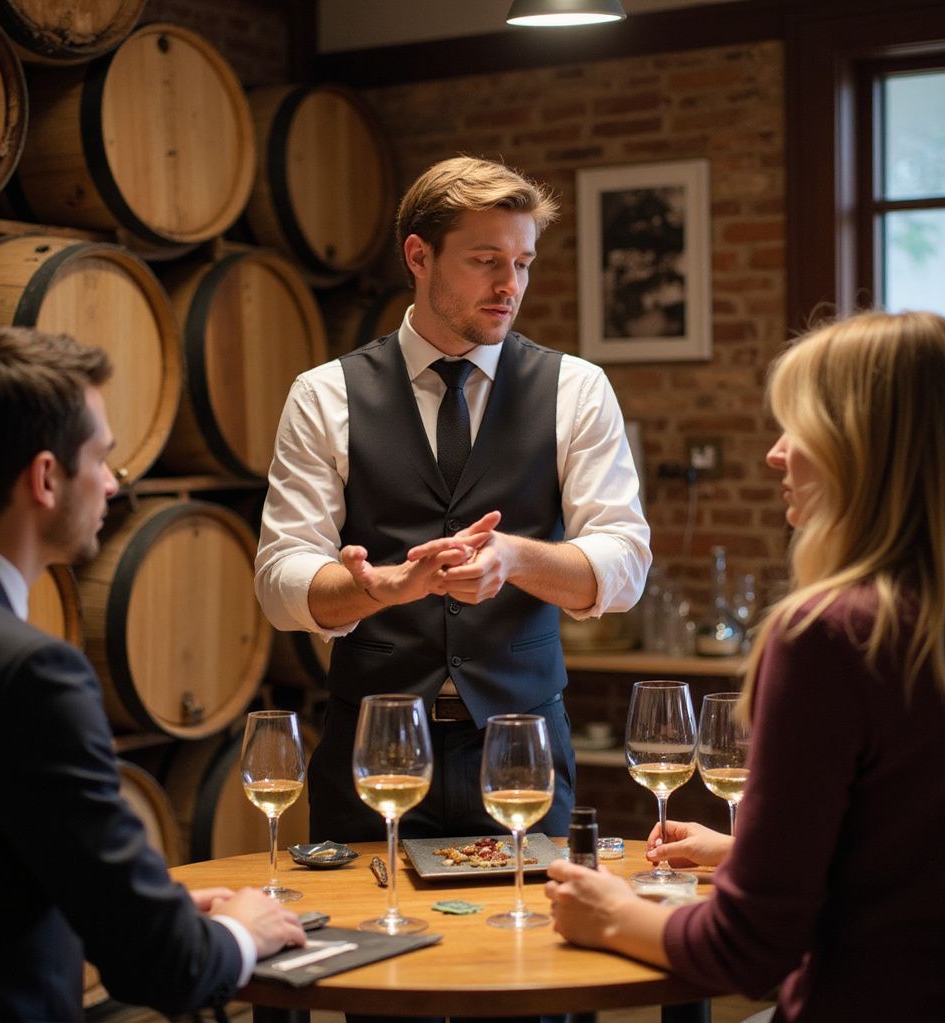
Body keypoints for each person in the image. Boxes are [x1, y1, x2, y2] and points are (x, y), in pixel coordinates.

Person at [545, 310, 945, 1023]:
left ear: (860, 448)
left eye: (797, 428)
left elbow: (747, 951)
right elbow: (918, 853)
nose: (775, 455)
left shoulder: (829, 636)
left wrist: (611, 912)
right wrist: (746, 850)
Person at [255, 155, 651, 847]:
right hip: (371, 750)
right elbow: (280, 579)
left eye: (524, 263)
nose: (511, 286)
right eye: (486, 260)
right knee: (369, 944)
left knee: (527, 948)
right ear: (419, 256)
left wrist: (514, 557)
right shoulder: (323, 395)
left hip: (522, 746)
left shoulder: (577, 389)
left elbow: (624, 566)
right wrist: (379, 589)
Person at [0, 326, 306, 1023]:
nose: (114, 481)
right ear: (45, 478)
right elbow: (163, 968)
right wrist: (239, 932)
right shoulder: (30, 672)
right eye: (102, 459)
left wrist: (159, 906)